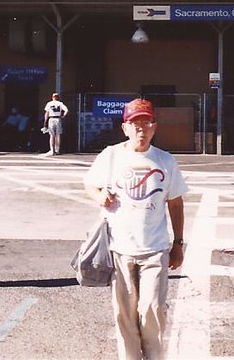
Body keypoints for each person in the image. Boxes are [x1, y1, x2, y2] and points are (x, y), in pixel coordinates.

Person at [83, 98, 188, 360]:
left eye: (147, 122)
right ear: (125, 127)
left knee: (152, 309)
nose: (142, 128)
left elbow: (175, 205)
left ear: (155, 126)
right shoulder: (111, 155)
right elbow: (90, 184)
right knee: (124, 313)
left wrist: (178, 244)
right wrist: (99, 196)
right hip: (119, 248)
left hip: (155, 249)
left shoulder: (165, 161)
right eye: (135, 123)